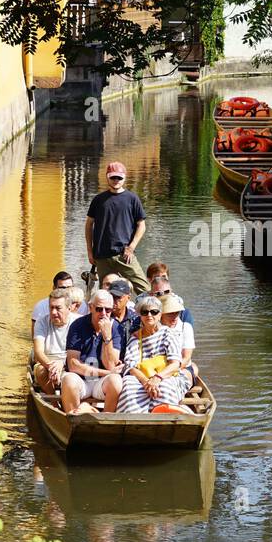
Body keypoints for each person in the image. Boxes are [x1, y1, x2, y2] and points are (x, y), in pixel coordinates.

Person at [117, 296, 191, 413]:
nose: (149, 315)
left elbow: (175, 364)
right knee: (129, 385)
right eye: (145, 312)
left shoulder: (168, 333)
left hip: (165, 375)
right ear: (140, 316)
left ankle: (164, 418)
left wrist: (157, 378)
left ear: (160, 314)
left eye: (154, 312)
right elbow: (130, 367)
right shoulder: (135, 338)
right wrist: (146, 382)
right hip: (141, 377)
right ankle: (134, 419)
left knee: (165, 387)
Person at [84, 162, 149, 294]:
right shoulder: (98, 200)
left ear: (125, 178)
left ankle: (151, 313)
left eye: (119, 178)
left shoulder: (132, 199)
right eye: (113, 177)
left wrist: (131, 248)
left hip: (124, 255)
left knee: (144, 290)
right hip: (102, 256)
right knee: (105, 293)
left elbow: (141, 225)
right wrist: (90, 251)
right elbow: (89, 224)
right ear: (107, 177)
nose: (116, 180)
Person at [60, 290, 124, 415]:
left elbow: (110, 364)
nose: (104, 314)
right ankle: (73, 420)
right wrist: (107, 372)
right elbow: (73, 365)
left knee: (116, 380)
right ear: (90, 307)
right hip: (81, 380)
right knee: (68, 380)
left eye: (108, 310)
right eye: (99, 309)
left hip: (101, 382)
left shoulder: (116, 328)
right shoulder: (77, 325)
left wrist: (107, 337)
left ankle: (106, 420)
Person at [32, 288, 72, 394]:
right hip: (47, 364)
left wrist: (62, 364)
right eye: (51, 308)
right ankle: (54, 402)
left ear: (69, 308)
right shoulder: (41, 322)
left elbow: (81, 354)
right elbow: (38, 352)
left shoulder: (78, 322)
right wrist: (51, 366)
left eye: (58, 308)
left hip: (70, 364)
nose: (53, 312)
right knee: (40, 372)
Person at [159, 291, 198, 380]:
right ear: (161, 314)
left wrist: (169, 372)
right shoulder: (154, 328)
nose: (174, 317)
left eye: (177, 313)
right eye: (170, 313)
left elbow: (186, 358)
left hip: (182, 368)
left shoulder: (186, 327)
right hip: (158, 368)